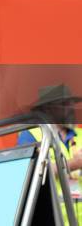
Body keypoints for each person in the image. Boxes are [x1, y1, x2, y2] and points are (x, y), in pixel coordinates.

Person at [18, 84, 82, 224]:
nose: (70, 107)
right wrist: (73, 164)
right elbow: (28, 177)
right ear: (48, 108)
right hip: (51, 218)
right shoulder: (31, 135)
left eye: (71, 103)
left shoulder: (81, 135)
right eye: (64, 103)